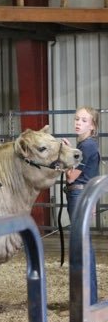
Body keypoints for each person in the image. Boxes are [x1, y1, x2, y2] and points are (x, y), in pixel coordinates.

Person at [63, 106, 100, 305]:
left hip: (78, 193)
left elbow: (71, 177)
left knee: (82, 246)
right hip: (81, 194)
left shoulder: (87, 147)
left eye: (84, 120)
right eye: (77, 119)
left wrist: (67, 157)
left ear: (92, 126)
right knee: (83, 246)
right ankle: (88, 299)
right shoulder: (86, 146)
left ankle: (87, 301)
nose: (78, 123)